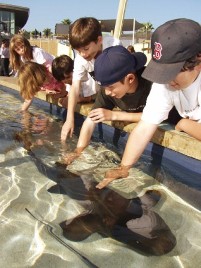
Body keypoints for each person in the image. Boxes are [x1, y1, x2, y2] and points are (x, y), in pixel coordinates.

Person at [95, 18, 201, 189]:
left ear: (198, 58)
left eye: (172, 72)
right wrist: (123, 168)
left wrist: (184, 123)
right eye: (161, 72)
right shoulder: (165, 83)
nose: (166, 80)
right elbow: (144, 128)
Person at [62, 45, 152, 165]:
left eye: (110, 87)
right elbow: (90, 121)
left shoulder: (151, 84)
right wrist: (78, 151)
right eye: (104, 87)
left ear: (130, 78)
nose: (107, 92)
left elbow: (157, 116)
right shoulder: (108, 91)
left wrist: (115, 115)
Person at [61, 17, 122, 141]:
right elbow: (75, 87)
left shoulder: (113, 46)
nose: (83, 54)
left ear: (99, 40)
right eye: (78, 51)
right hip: (105, 93)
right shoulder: (81, 59)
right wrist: (69, 119)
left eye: (86, 49)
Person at [9, 34, 65, 110]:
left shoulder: (36, 52)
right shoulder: (23, 58)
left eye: (22, 46)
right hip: (42, 73)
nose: (22, 50)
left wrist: (46, 86)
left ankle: (62, 91)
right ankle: (23, 109)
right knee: (31, 85)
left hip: (52, 70)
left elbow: (43, 69)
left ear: (27, 44)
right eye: (18, 49)